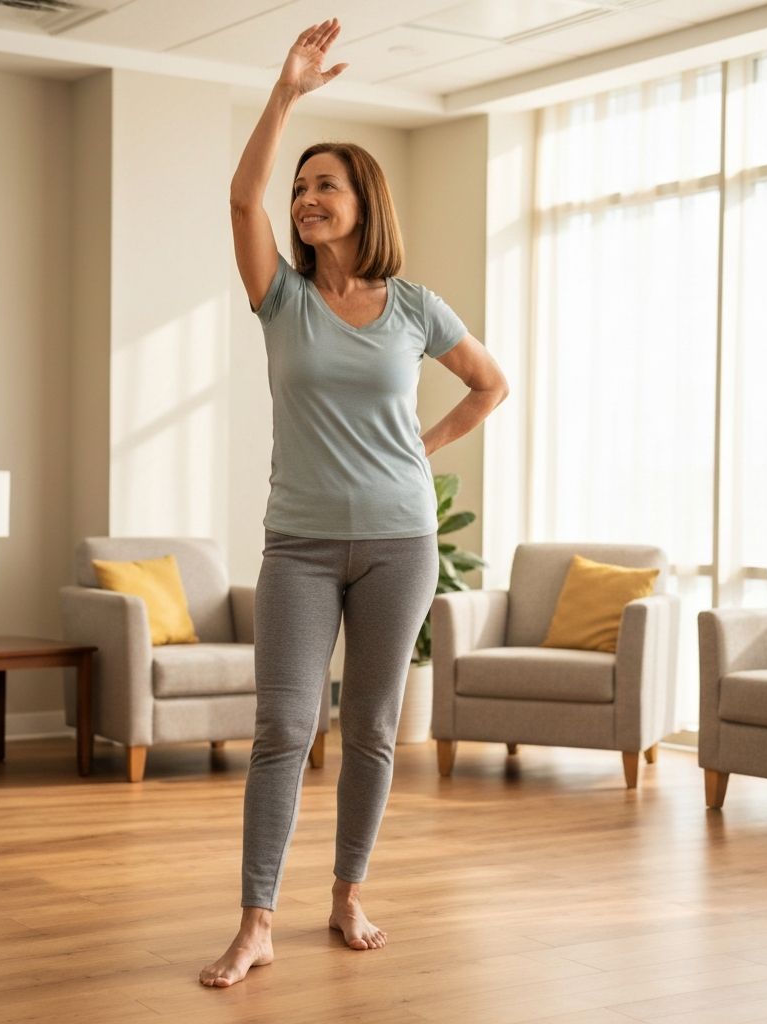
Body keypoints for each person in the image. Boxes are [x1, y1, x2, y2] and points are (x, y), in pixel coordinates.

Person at [199, 18, 509, 989]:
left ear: (363, 200)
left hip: (399, 542)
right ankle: (256, 921)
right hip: (297, 545)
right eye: (300, 188)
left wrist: (421, 446)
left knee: (372, 728)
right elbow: (241, 197)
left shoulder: (414, 306)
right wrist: (285, 94)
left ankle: (346, 893)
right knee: (284, 728)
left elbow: (489, 384)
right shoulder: (280, 299)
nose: (304, 199)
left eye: (324, 184)